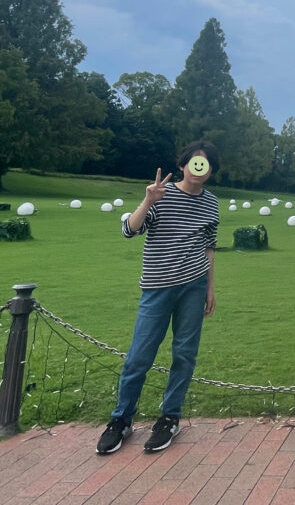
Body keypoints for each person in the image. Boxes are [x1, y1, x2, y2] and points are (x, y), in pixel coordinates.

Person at [96, 141, 220, 454]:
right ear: (183, 165)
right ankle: (121, 419)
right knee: (139, 356)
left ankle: (169, 417)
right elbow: (128, 230)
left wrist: (209, 287)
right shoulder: (162, 195)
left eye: (205, 165)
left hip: (193, 286)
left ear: (210, 172)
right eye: (194, 163)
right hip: (157, 286)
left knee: (184, 354)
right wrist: (148, 201)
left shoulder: (211, 204)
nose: (198, 170)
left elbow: (209, 246)